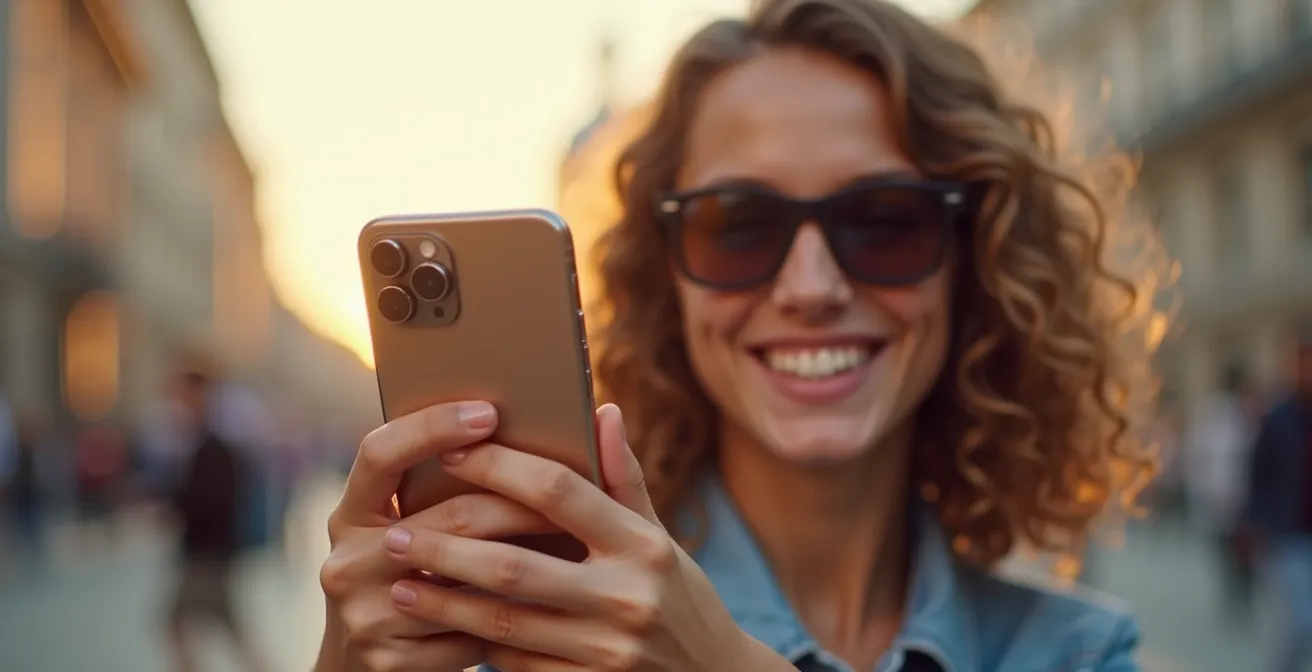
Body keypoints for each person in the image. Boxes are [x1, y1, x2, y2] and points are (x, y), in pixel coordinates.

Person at [313, 1, 1164, 670]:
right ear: (663, 276)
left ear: (975, 263)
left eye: (884, 221)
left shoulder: (1074, 652)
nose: (811, 289)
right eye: (737, 226)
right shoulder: (538, 616)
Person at [164, 370, 268, 672]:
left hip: (207, 553)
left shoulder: (214, 445)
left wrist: (177, 503)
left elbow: (212, 501)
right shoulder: (207, 441)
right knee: (228, 630)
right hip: (212, 551)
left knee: (178, 625)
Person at [1244, 330, 1312, 672]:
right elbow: (1257, 474)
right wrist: (1253, 525)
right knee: (1300, 625)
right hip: (1288, 535)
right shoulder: (1278, 418)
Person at [1185, 364, 1259, 623]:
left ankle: (1244, 592)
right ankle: (1233, 594)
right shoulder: (1214, 413)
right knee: (1225, 550)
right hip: (1219, 495)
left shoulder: (1251, 412)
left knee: (1245, 551)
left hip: (1245, 498)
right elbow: (1200, 453)